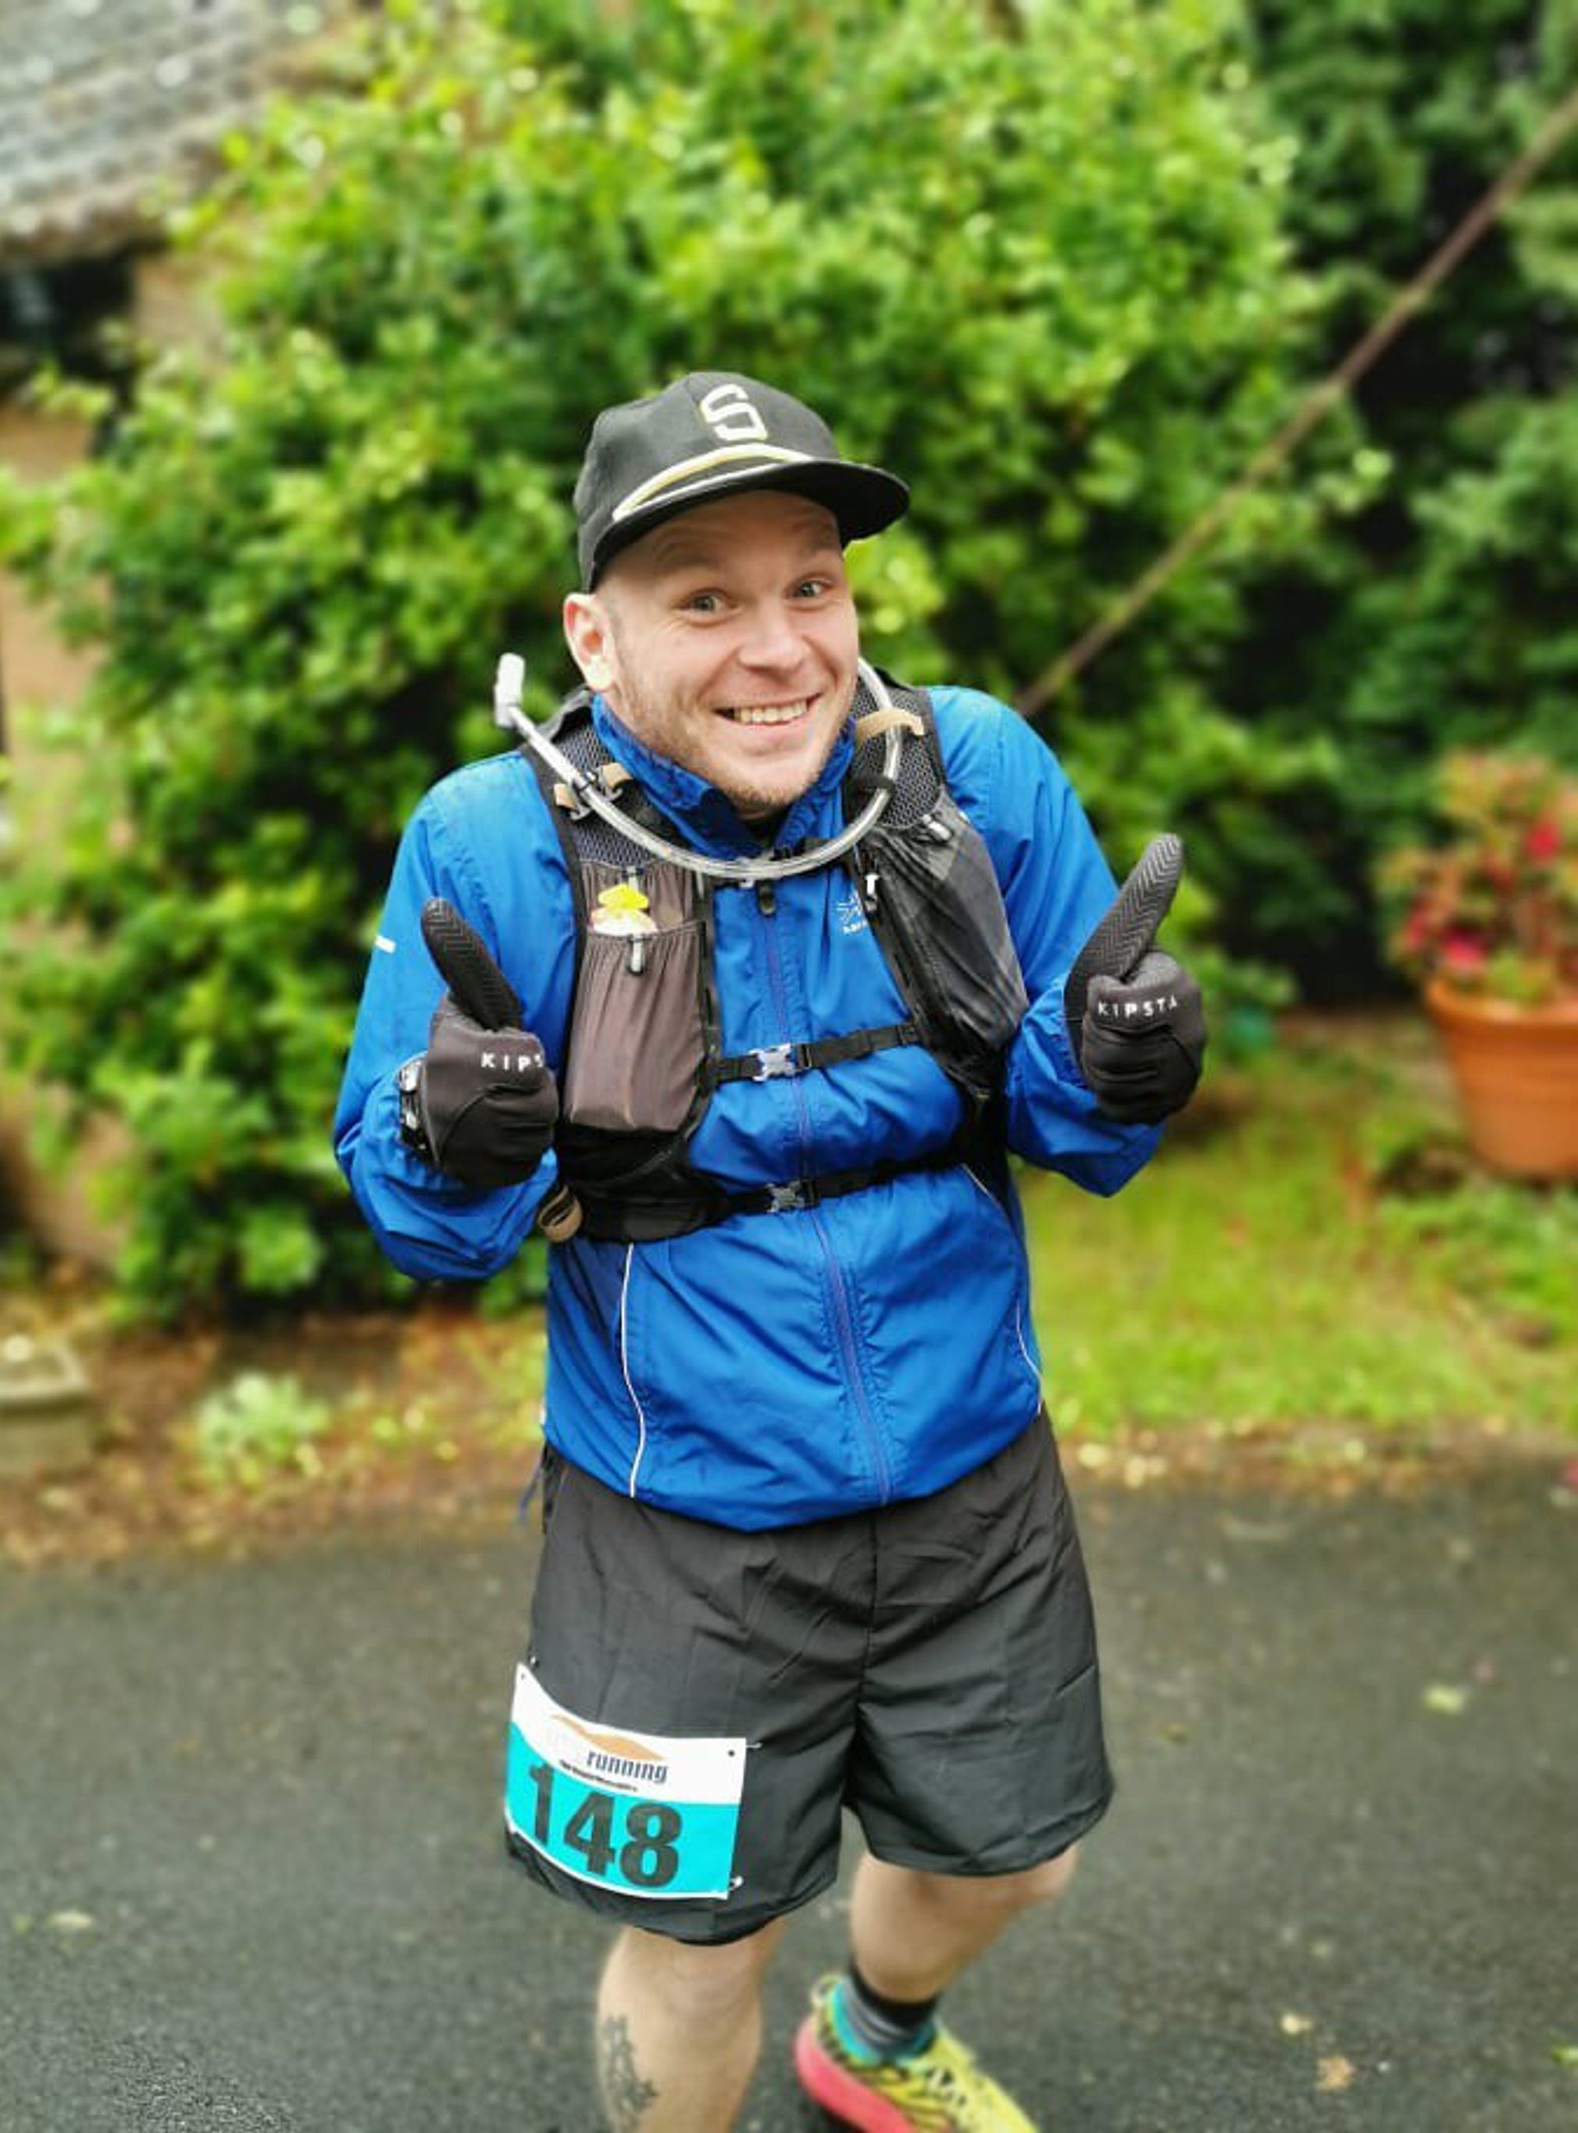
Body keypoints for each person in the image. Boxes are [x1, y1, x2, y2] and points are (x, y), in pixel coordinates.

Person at [334, 371, 1206, 2133]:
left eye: (811, 583)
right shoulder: (491, 838)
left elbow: (1063, 1104)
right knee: (700, 1939)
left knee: (1014, 1860)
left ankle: (876, 2037)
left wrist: (1120, 1061)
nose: (780, 645)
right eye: (706, 597)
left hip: (974, 1470)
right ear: (596, 633)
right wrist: (456, 1138)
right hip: (682, 1510)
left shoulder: (972, 776)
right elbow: (411, 1207)